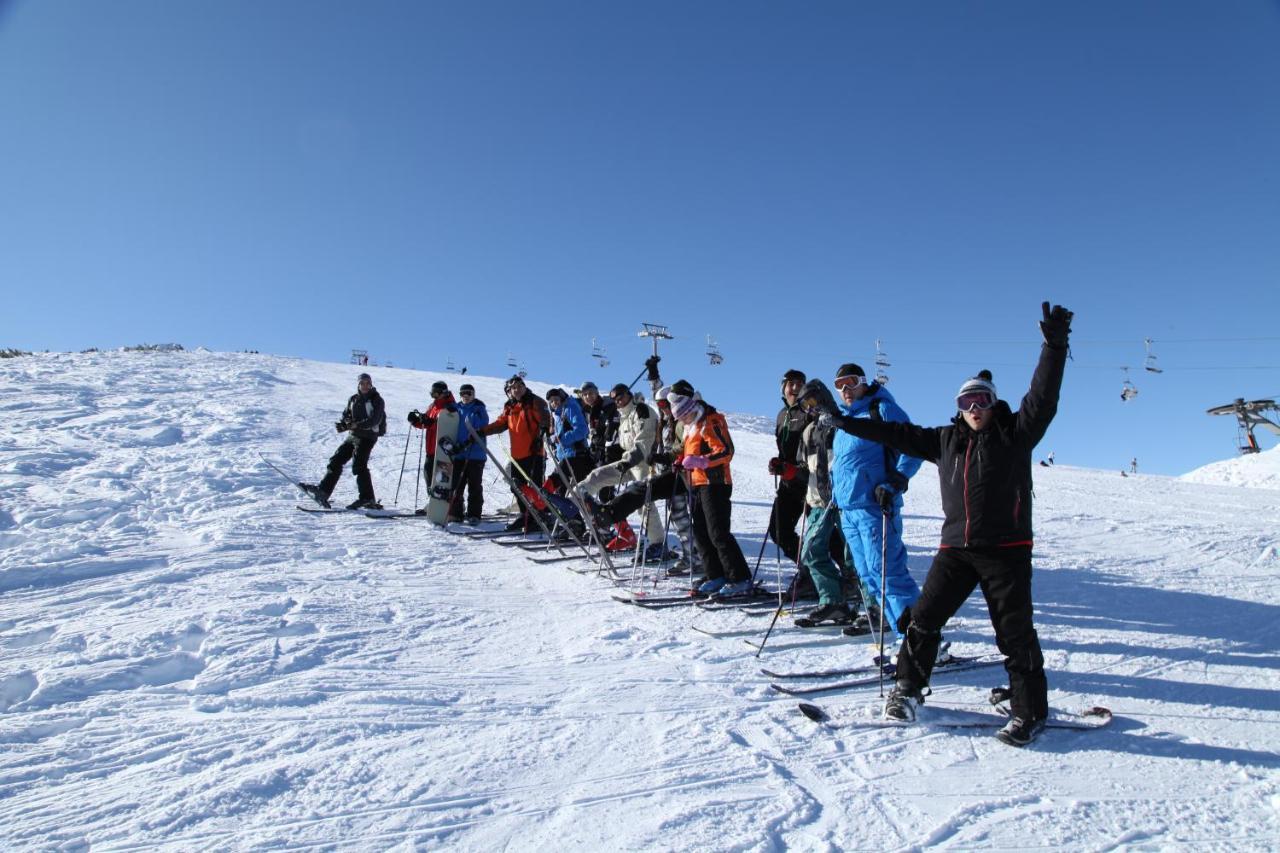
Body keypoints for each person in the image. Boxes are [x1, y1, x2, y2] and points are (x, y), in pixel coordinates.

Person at [803, 302, 1073, 747]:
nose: (974, 408)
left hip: (1006, 550)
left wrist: (1054, 345)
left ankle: (1029, 711)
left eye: (981, 400)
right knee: (923, 620)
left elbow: (1043, 398)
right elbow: (896, 436)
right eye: (965, 402)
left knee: (1014, 633)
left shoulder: (1015, 435)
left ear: (993, 402)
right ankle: (907, 691)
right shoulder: (948, 440)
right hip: (957, 551)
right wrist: (845, 422)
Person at [813, 363, 924, 639]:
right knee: (868, 576)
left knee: (888, 574)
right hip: (848, 510)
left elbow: (914, 446)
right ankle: (901, 633)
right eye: (839, 385)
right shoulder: (844, 420)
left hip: (875, 508)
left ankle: (921, 642)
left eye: (851, 382)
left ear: (864, 382)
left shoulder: (882, 410)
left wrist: (896, 480)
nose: (846, 390)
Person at [666, 382, 752, 597]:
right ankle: (716, 574)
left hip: (716, 483)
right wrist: (682, 461)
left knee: (718, 533)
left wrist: (700, 461)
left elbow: (726, 451)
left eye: (684, 416)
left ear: (691, 409)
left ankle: (739, 577)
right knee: (701, 533)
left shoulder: (711, 420)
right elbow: (689, 454)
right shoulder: (691, 426)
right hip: (696, 484)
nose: (682, 421)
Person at [576, 383, 666, 553]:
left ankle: (658, 543)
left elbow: (643, 443)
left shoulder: (642, 411)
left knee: (643, 501)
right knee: (598, 475)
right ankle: (577, 498)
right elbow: (622, 444)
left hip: (645, 463)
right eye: (615, 399)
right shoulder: (623, 416)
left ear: (629, 395)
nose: (618, 401)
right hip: (629, 462)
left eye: (621, 397)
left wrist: (628, 461)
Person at [792, 411, 861, 627]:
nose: (812, 408)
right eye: (807, 404)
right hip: (820, 503)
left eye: (816, 401)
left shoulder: (842, 425)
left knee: (856, 554)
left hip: (846, 502)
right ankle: (833, 602)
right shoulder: (809, 431)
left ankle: (872, 605)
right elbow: (805, 468)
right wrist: (788, 472)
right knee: (810, 551)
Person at [301, 372, 387, 509]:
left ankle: (367, 498)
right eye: (362, 383)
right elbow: (346, 414)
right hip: (354, 435)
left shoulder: (377, 400)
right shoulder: (353, 399)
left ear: (371, 384)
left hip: (368, 436)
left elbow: (375, 420)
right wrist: (345, 423)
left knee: (359, 465)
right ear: (358, 385)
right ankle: (323, 491)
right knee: (336, 460)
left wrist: (356, 424)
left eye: (367, 383)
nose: (365, 386)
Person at [476, 375, 550, 531]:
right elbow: (500, 424)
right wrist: (481, 431)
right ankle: (526, 516)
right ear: (509, 391)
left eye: (519, 386)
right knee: (517, 487)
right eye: (513, 388)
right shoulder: (509, 407)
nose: (517, 390)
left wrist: (541, 435)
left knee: (535, 488)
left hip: (534, 453)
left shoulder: (535, 401)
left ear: (524, 387)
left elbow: (545, 419)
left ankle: (539, 517)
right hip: (517, 454)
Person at [770, 370, 817, 597]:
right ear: (783, 387)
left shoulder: (810, 410)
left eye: (800, 383)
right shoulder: (782, 415)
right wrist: (778, 463)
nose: (795, 388)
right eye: (791, 383)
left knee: (822, 533)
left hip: (810, 482)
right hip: (789, 482)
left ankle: (848, 576)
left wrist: (795, 469)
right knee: (778, 530)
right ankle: (808, 571)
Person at [408, 380, 457, 512]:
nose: (434, 397)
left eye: (436, 394)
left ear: (443, 393)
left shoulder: (451, 406)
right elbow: (427, 423)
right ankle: (434, 502)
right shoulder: (433, 406)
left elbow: (448, 424)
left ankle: (450, 504)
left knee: (442, 478)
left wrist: (431, 422)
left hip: (443, 449)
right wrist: (417, 421)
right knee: (428, 474)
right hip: (430, 447)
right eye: (432, 394)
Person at [449, 383, 489, 523]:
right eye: (463, 393)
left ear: (473, 395)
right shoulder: (456, 408)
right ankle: (456, 512)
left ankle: (474, 514)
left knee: (474, 485)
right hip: (459, 454)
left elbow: (483, 425)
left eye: (469, 393)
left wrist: (469, 440)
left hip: (475, 454)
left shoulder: (479, 408)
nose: (466, 396)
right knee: (457, 484)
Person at [545, 387, 594, 489]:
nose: (554, 403)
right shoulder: (557, 415)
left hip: (577, 456)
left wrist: (561, 439)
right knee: (563, 491)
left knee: (559, 477)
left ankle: (543, 494)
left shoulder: (570, 408)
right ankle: (547, 498)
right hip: (566, 457)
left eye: (556, 400)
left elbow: (582, 430)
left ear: (562, 399)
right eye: (551, 401)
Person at [578, 381, 621, 469]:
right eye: (584, 394)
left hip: (611, 450)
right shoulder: (587, 410)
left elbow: (612, 430)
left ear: (596, 393)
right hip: (596, 450)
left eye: (591, 393)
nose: (588, 396)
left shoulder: (608, 405)